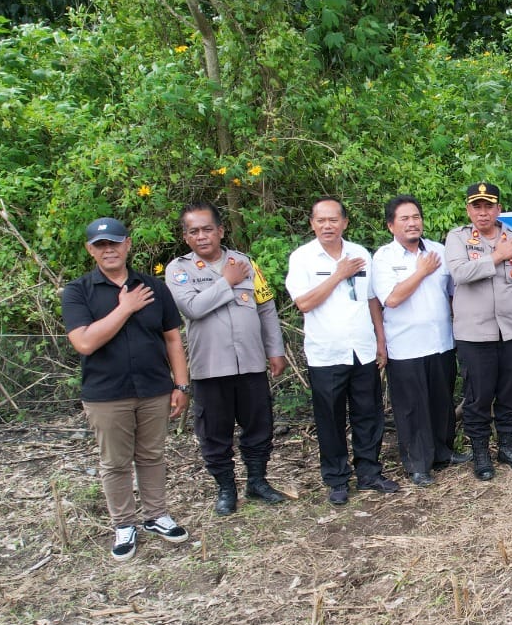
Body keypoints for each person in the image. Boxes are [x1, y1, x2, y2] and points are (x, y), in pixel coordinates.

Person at [61, 217, 191, 561]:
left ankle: (156, 515)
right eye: (101, 245)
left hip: (154, 388)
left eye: (115, 243)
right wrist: (125, 308)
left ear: (128, 244)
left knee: (151, 455)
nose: (109, 250)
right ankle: (124, 525)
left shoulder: (152, 287)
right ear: (91, 250)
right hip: (106, 394)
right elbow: (85, 343)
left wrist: (181, 384)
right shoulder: (78, 292)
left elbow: (173, 339)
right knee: (115, 462)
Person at [165, 203, 288, 516]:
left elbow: (265, 307)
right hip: (211, 366)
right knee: (214, 432)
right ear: (186, 237)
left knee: (259, 425)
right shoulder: (179, 270)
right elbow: (192, 308)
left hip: (249, 361)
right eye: (194, 231)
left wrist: (274, 349)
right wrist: (227, 281)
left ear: (220, 230)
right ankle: (226, 489)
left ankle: (257, 481)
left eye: (208, 229)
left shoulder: (245, 262)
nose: (202, 236)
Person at [285, 197, 400, 506]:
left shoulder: (360, 254)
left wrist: (380, 340)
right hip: (326, 352)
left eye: (333, 220)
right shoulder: (303, 258)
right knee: (331, 418)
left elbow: (372, 299)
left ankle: (369, 472)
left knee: (368, 413)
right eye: (321, 220)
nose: (327, 225)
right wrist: (337, 274)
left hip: (361, 349)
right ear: (312, 224)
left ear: (345, 223)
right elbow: (304, 303)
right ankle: (336, 478)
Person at [445, 182, 512, 481]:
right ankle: (481, 451)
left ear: (499, 209)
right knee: (479, 396)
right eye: (477, 206)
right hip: (475, 334)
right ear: (468, 209)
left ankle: (508, 446)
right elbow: (459, 273)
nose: (483, 212)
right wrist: (496, 257)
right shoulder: (458, 238)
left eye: (489, 206)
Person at [371, 195, 466, 487]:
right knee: (412, 407)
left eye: (416, 217)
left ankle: (442, 453)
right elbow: (393, 298)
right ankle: (417, 464)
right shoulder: (384, 257)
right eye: (404, 219)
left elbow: (453, 294)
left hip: (441, 342)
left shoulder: (439, 251)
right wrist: (421, 271)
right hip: (405, 346)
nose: (412, 223)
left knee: (441, 401)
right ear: (391, 226)